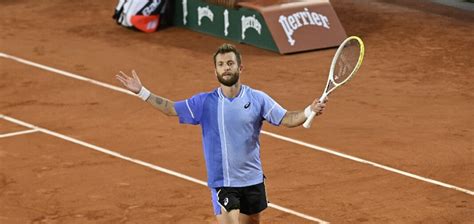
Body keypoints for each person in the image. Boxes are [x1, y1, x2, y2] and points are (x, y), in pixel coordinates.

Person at [116, 43, 327, 224]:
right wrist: (141, 92)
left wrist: (310, 110)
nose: (225, 68)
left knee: (252, 222)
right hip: (223, 182)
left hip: (252, 179)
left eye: (230, 63)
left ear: (240, 67)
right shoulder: (204, 103)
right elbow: (170, 108)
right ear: (215, 71)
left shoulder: (258, 99)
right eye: (220, 65)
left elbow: (287, 118)